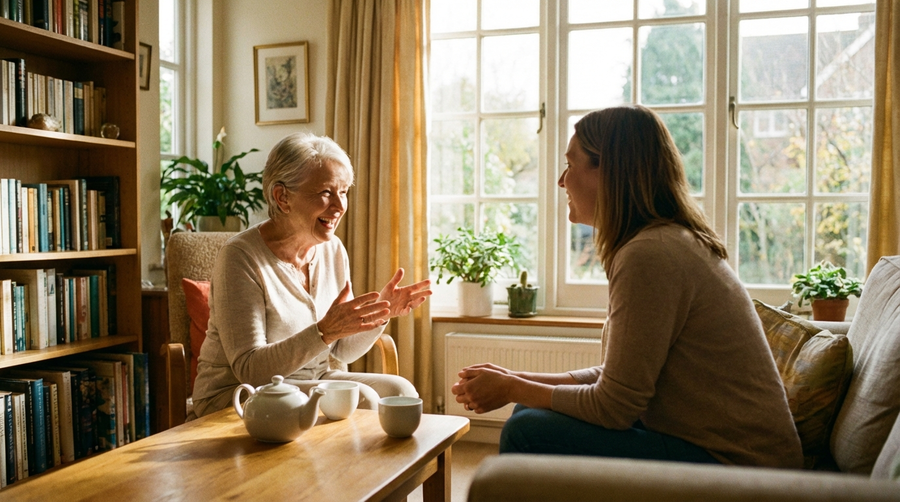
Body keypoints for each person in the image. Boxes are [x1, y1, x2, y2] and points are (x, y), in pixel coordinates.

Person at [451, 105, 803, 468]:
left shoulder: (651, 256)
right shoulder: (663, 242)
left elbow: (614, 407)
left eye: (571, 165)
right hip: (712, 450)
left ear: (610, 171)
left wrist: (511, 387)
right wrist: (514, 379)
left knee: (527, 431)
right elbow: (621, 379)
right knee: (528, 407)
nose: (561, 180)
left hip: (740, 469)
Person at [190, 132, 431, 418]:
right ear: (282, 197)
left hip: (310, 384)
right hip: (240, 396)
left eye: (343, 192)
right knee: (362, 399)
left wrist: (382, 312)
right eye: (326, 193)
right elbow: (250, 370)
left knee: (400, 391)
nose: (340, 206)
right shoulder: (240, 257)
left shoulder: (333, 250)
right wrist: (323, 331)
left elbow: (343, 351)